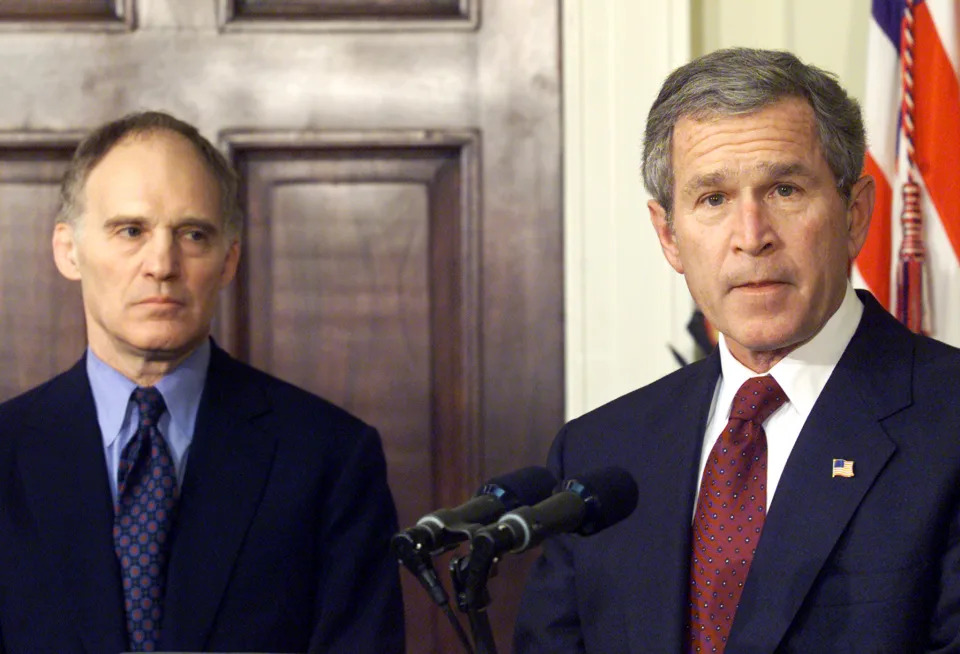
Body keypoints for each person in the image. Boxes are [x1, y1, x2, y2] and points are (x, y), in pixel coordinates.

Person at [514, 47, 960, 653]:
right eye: (714, 199)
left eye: (784, 189)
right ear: (669, 236)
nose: (752, 238)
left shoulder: (949, 422)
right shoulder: (599, 451)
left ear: (855, 214)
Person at [0, 111, 404, 653]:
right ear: (68, 250)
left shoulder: (330, 455)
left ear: (229, 258)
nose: (162, 264)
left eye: (193, 234)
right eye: (130, 231)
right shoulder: (8, 450)